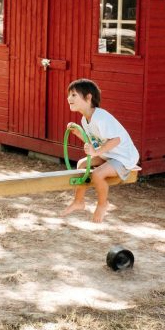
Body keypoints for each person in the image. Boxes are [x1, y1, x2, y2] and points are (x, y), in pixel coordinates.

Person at [61, 78, 139, 223]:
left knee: (97, 174)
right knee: (81, 164)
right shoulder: (85, 120)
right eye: (69, 95)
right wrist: (79, 134)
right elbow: (96, 143)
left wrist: (96, 152)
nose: (68, 98)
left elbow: (116, 140)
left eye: (73, 95)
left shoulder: (101, 117)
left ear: (88, 97)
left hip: (123, 157)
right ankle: (79, 201)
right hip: (109, 154)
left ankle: (103, 204)